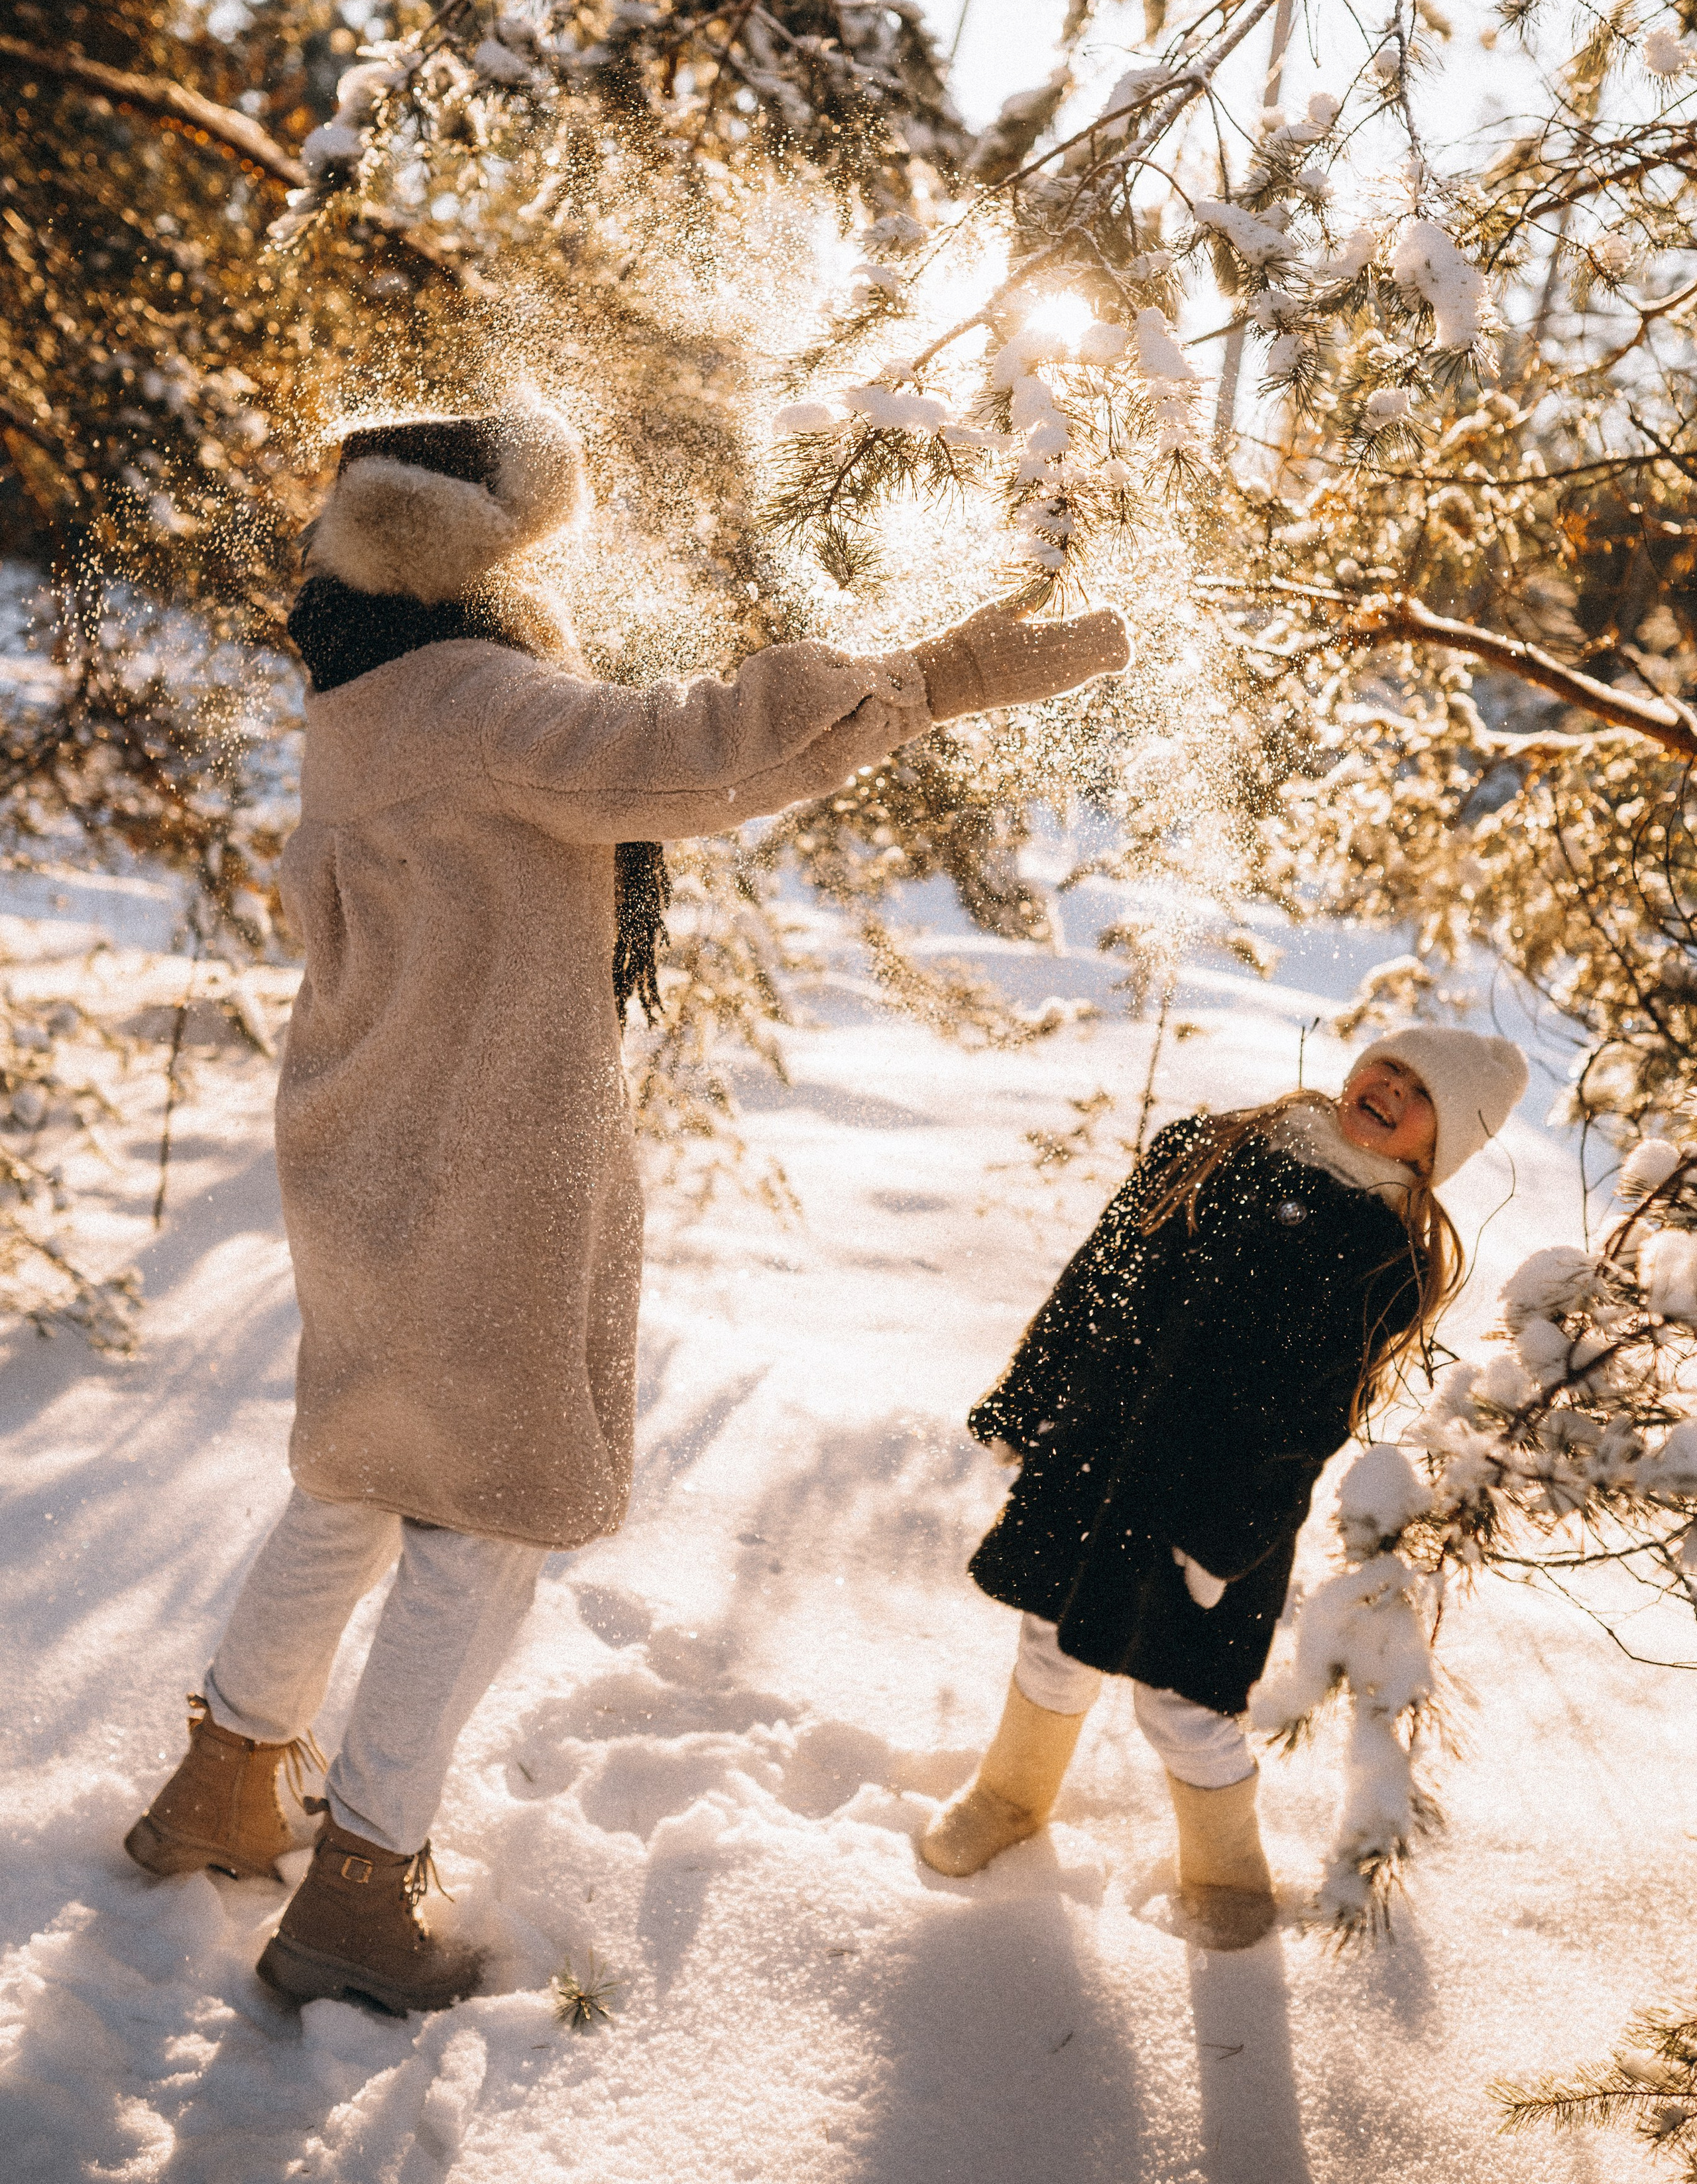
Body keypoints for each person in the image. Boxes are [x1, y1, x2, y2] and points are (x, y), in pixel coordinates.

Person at [121, 399, 1129, 2014]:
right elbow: (685, 754)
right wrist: (927, 678)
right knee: (481, 1525)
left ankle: (223, 1789)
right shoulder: (475, 699)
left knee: (358, 1477)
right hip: (470, 1169)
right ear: (472, 551)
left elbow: (639, 768)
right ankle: (355, 1898)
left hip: (369, 1152)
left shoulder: (365, 689)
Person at [919, 1026, 1529, 1949]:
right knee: (1051, 1638)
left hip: (1211, 1507)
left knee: (1184, 1704)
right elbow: (1100, 1274)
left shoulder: (1378, 1256)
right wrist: (1032, 1399)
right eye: (1389, 1068)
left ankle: (1224, 1867)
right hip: (1098, 1453)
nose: (1391, 1091)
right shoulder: (1216, 1148)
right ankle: (1011, 1795)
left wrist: (1222, 1541)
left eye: (1421, 1096)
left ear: (1438, 1149)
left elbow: (1307, 1421)